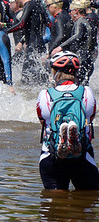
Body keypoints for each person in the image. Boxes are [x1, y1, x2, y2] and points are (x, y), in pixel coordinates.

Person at [36, 51, 99, 190]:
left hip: (50, 156)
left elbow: (42, 121)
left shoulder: (44, 94)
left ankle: (61, 139)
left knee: (56, 206)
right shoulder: (87, 92)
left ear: (54, 71)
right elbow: (91, 117)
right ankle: (74, 138)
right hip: (83, 158)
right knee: (88, 202)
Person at [51, 0, 96, 86]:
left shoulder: (79, 22)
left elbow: (77, 35)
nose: (69, 13)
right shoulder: (88, 21)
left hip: (82, 61)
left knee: (76, 86)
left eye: (71, 11)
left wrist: (61, 47)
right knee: (83, 87)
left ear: (76, 11)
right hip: (88, 60)